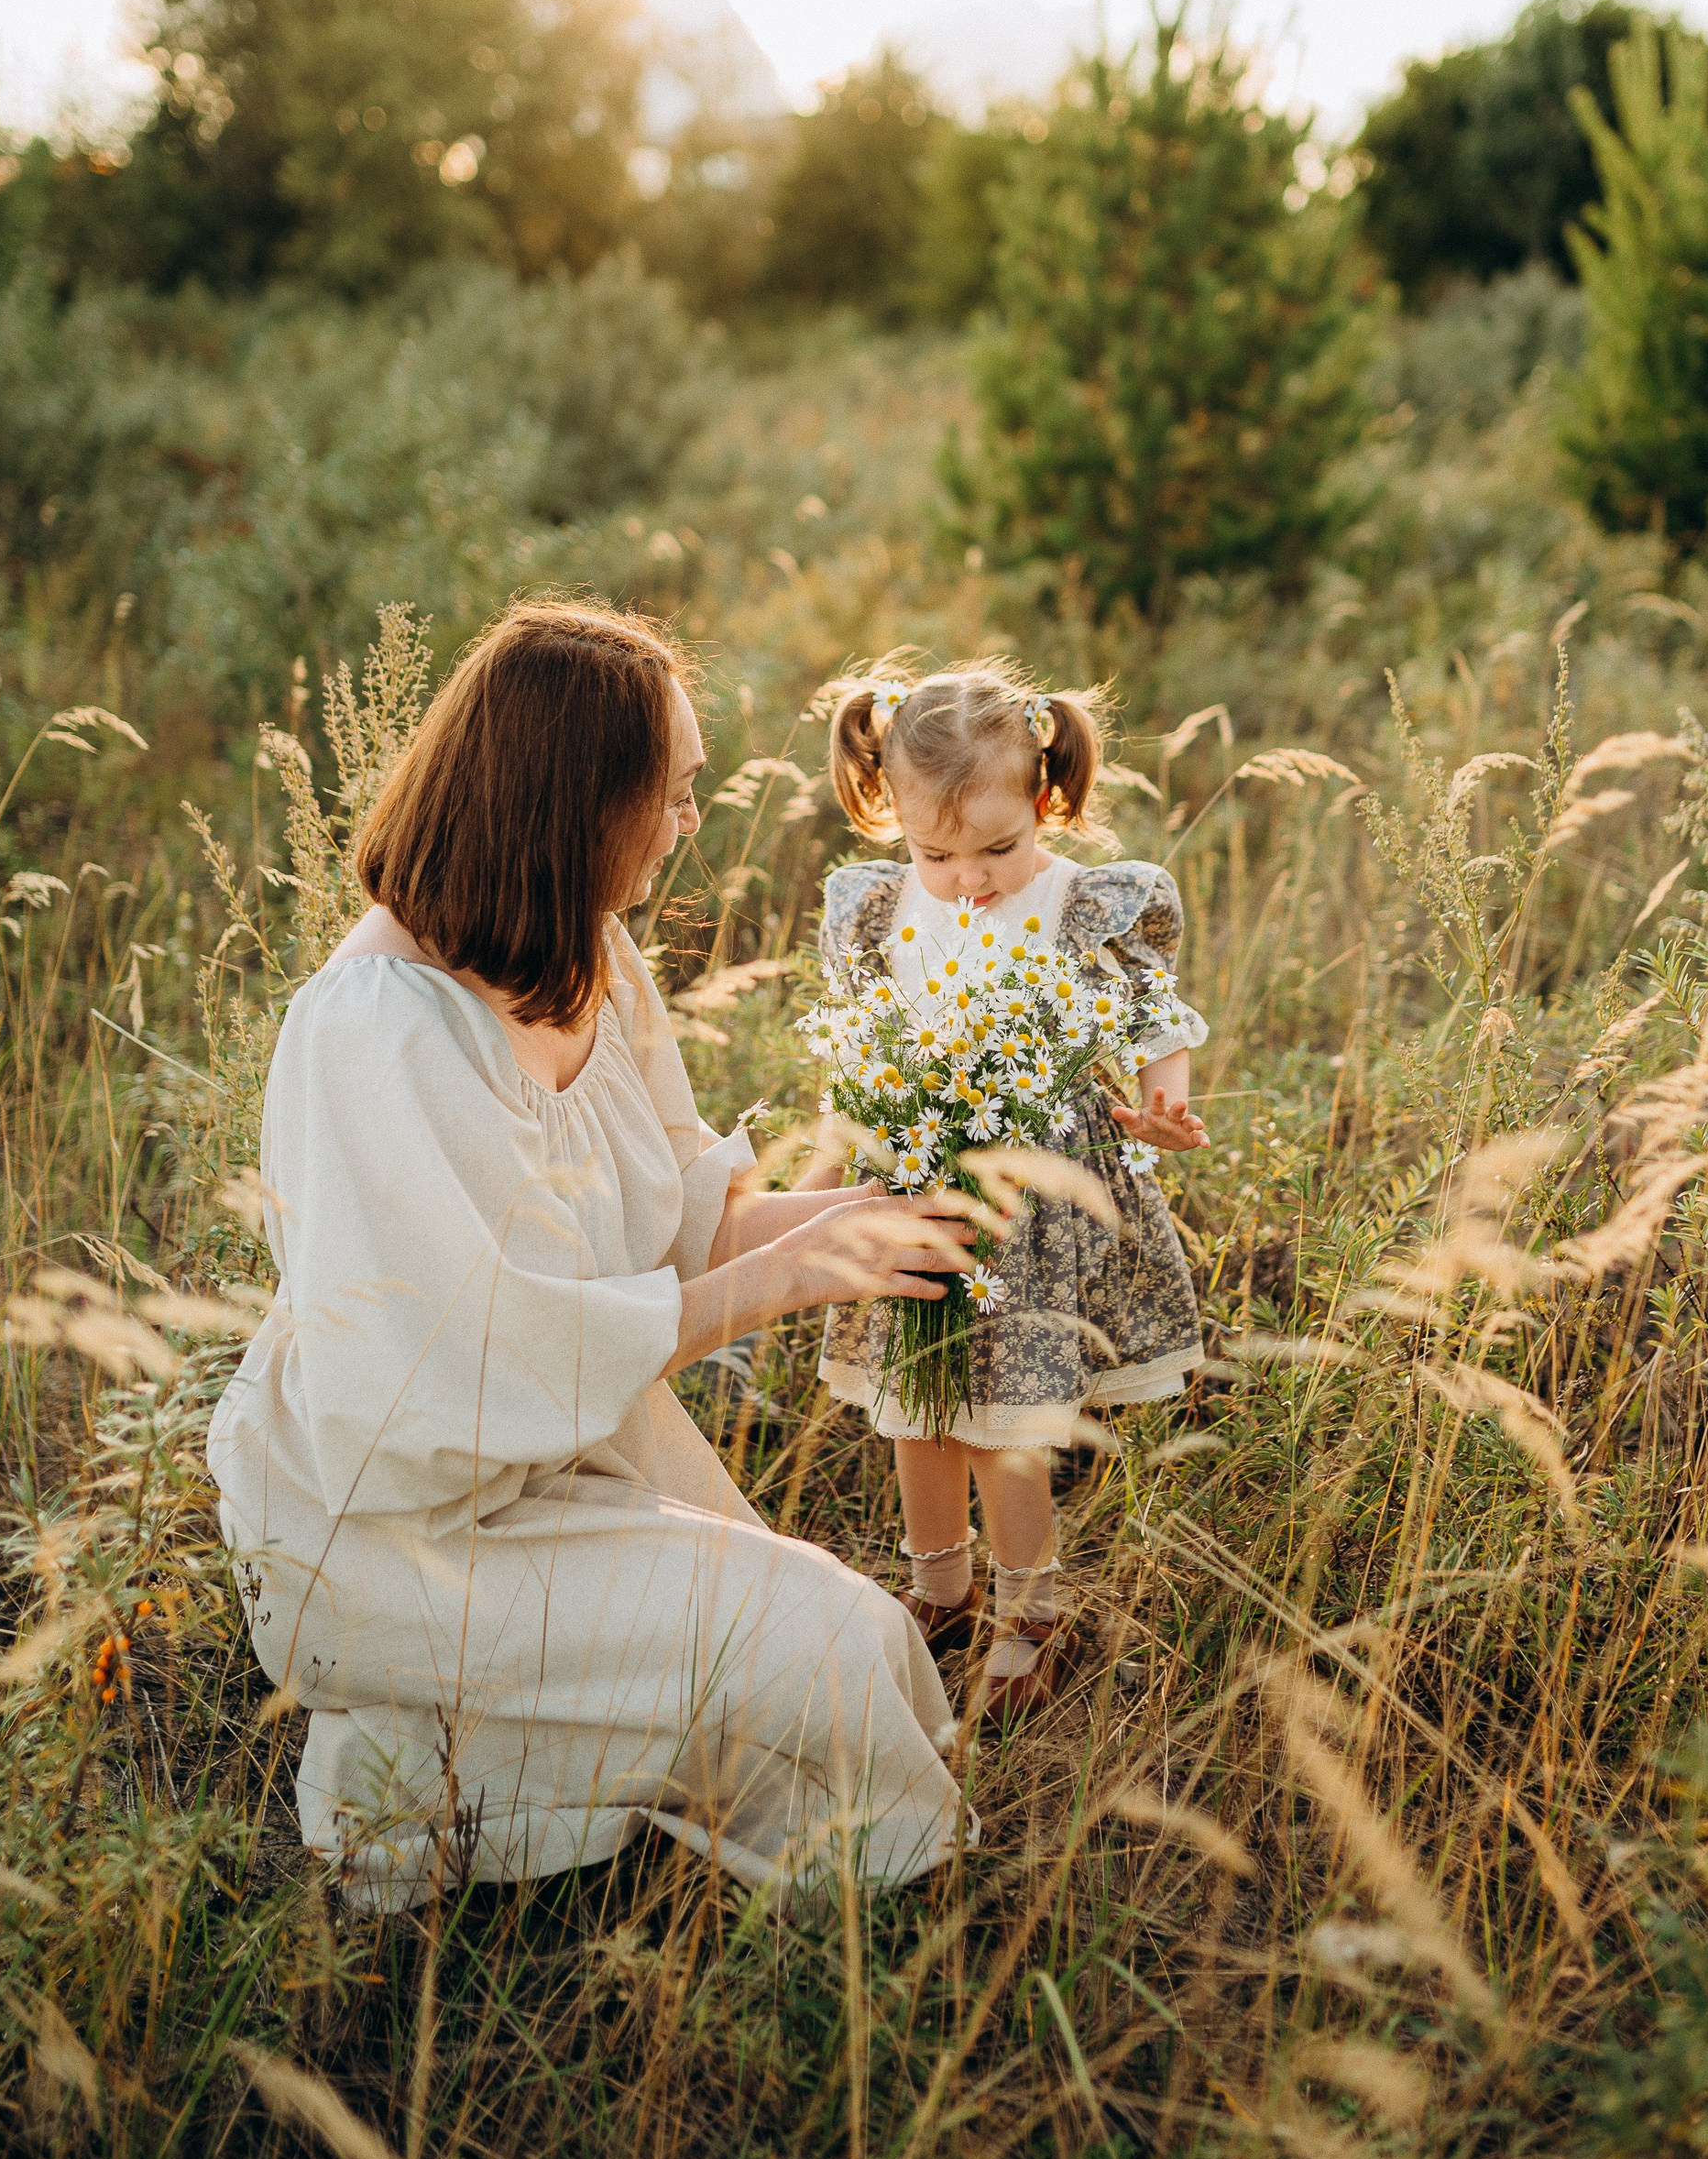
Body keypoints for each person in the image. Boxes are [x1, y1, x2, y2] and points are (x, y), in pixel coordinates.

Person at [206, 602, 974, 1912]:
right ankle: (404, 1739)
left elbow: (690, 1223)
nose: (687, 827)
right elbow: (473, 1358)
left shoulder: (589, 955)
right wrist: (802, 1272)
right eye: (668, 798)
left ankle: (440, 1752)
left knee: (857, 1636)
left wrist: (892, 1209)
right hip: (400, 1516)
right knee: (832, 1650)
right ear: (571, 804)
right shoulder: (376, 1033)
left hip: (554, 1454)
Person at [810, 660, 1210, 1726]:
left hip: (1035, 1206)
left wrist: (1163, 1107)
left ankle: (1032, 1614)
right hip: (915, 1187)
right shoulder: (876, 911)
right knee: (916, 1407)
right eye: (935, 851)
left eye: (997, 847)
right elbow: (858, 1068)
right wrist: (815, 1181)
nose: (969, 878)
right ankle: (941, 1586)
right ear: (889, 815)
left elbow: (1155, 1027)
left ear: (1043, 798)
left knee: (1004, 1419)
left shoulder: (1085, 904)